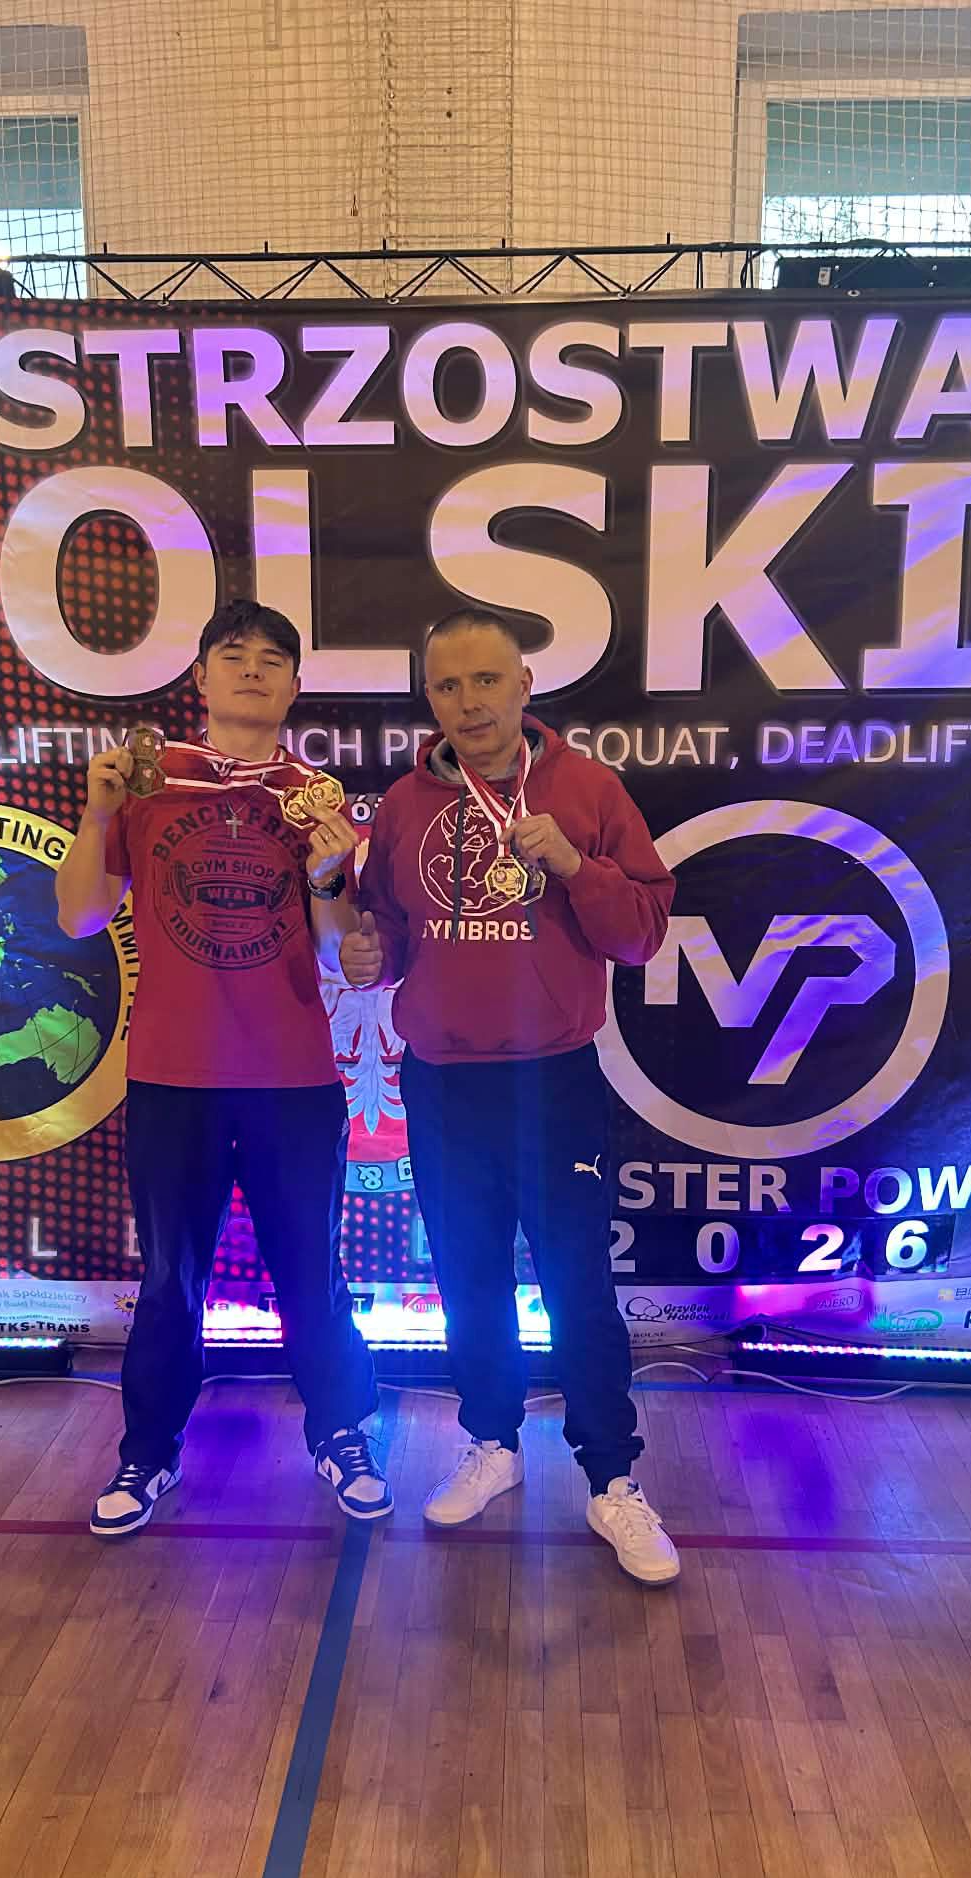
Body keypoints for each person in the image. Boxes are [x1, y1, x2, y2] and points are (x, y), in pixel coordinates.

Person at [342, 607, 681, 1583]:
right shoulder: (404, 803)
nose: (469, 702)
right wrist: (367, 954)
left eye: (486, 680)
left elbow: (644, 932)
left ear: (524, 684)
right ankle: (492, 1441)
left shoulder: (586, 787)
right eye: (448, 685)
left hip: (553, 1078)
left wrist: (573, 864)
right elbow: (385, 935)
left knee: (577, 1282)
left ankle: (612, 1477)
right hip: (444, 1080)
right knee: (469, 1275)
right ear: (430, 697)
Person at [56, 599, 391, 1537]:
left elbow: (338, 954)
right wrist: (96, 812)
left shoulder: (316, 798)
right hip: (174, 1076)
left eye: (272, 659)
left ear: (294, 685)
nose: (253, 669)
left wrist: (330, 874)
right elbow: (78, 916)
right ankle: (149, 1449)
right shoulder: (146, 781)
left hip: (293, 1078)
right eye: (233, 655)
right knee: (171, 1280)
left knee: (312, 1271)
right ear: (200, 676)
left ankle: (342, 1432)